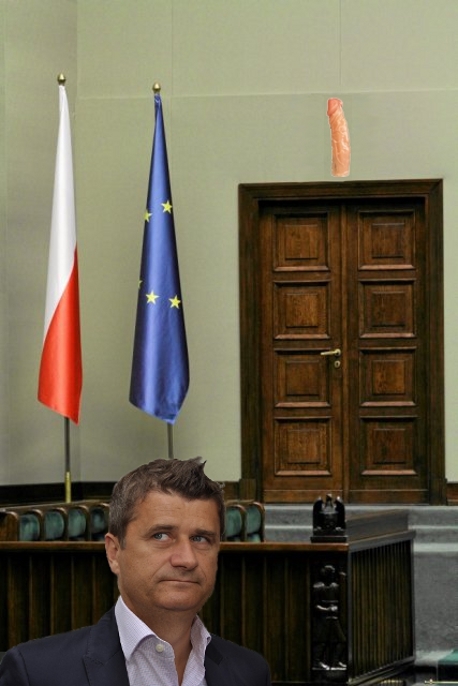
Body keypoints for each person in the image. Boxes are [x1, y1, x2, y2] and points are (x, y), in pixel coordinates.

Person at [0, 458, 271, 686]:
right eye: (161, 535)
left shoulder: (250, 673)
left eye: (201, 539)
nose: (187, 559)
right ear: (114, 552)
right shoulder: (36, 674)